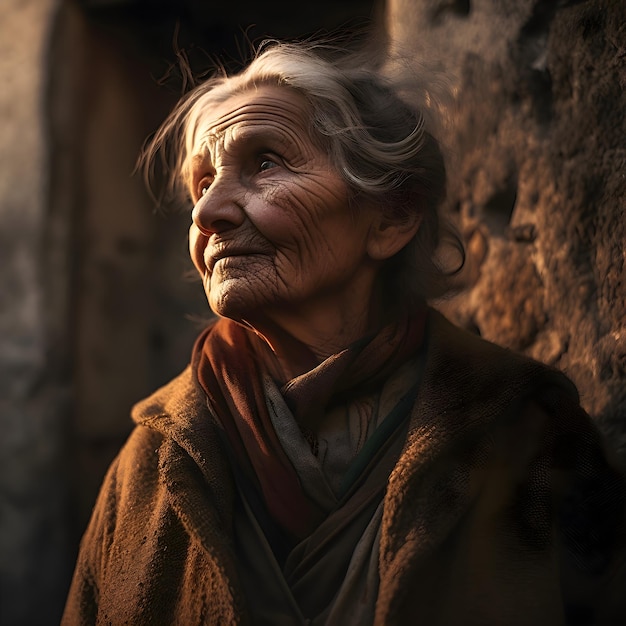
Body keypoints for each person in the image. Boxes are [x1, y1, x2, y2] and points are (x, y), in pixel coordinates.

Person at [62, 40, 625, 625]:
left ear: (391, 218)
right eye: (203, 182)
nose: (207, 213)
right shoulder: (153, 460)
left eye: (265, 162)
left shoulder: (522, 430)